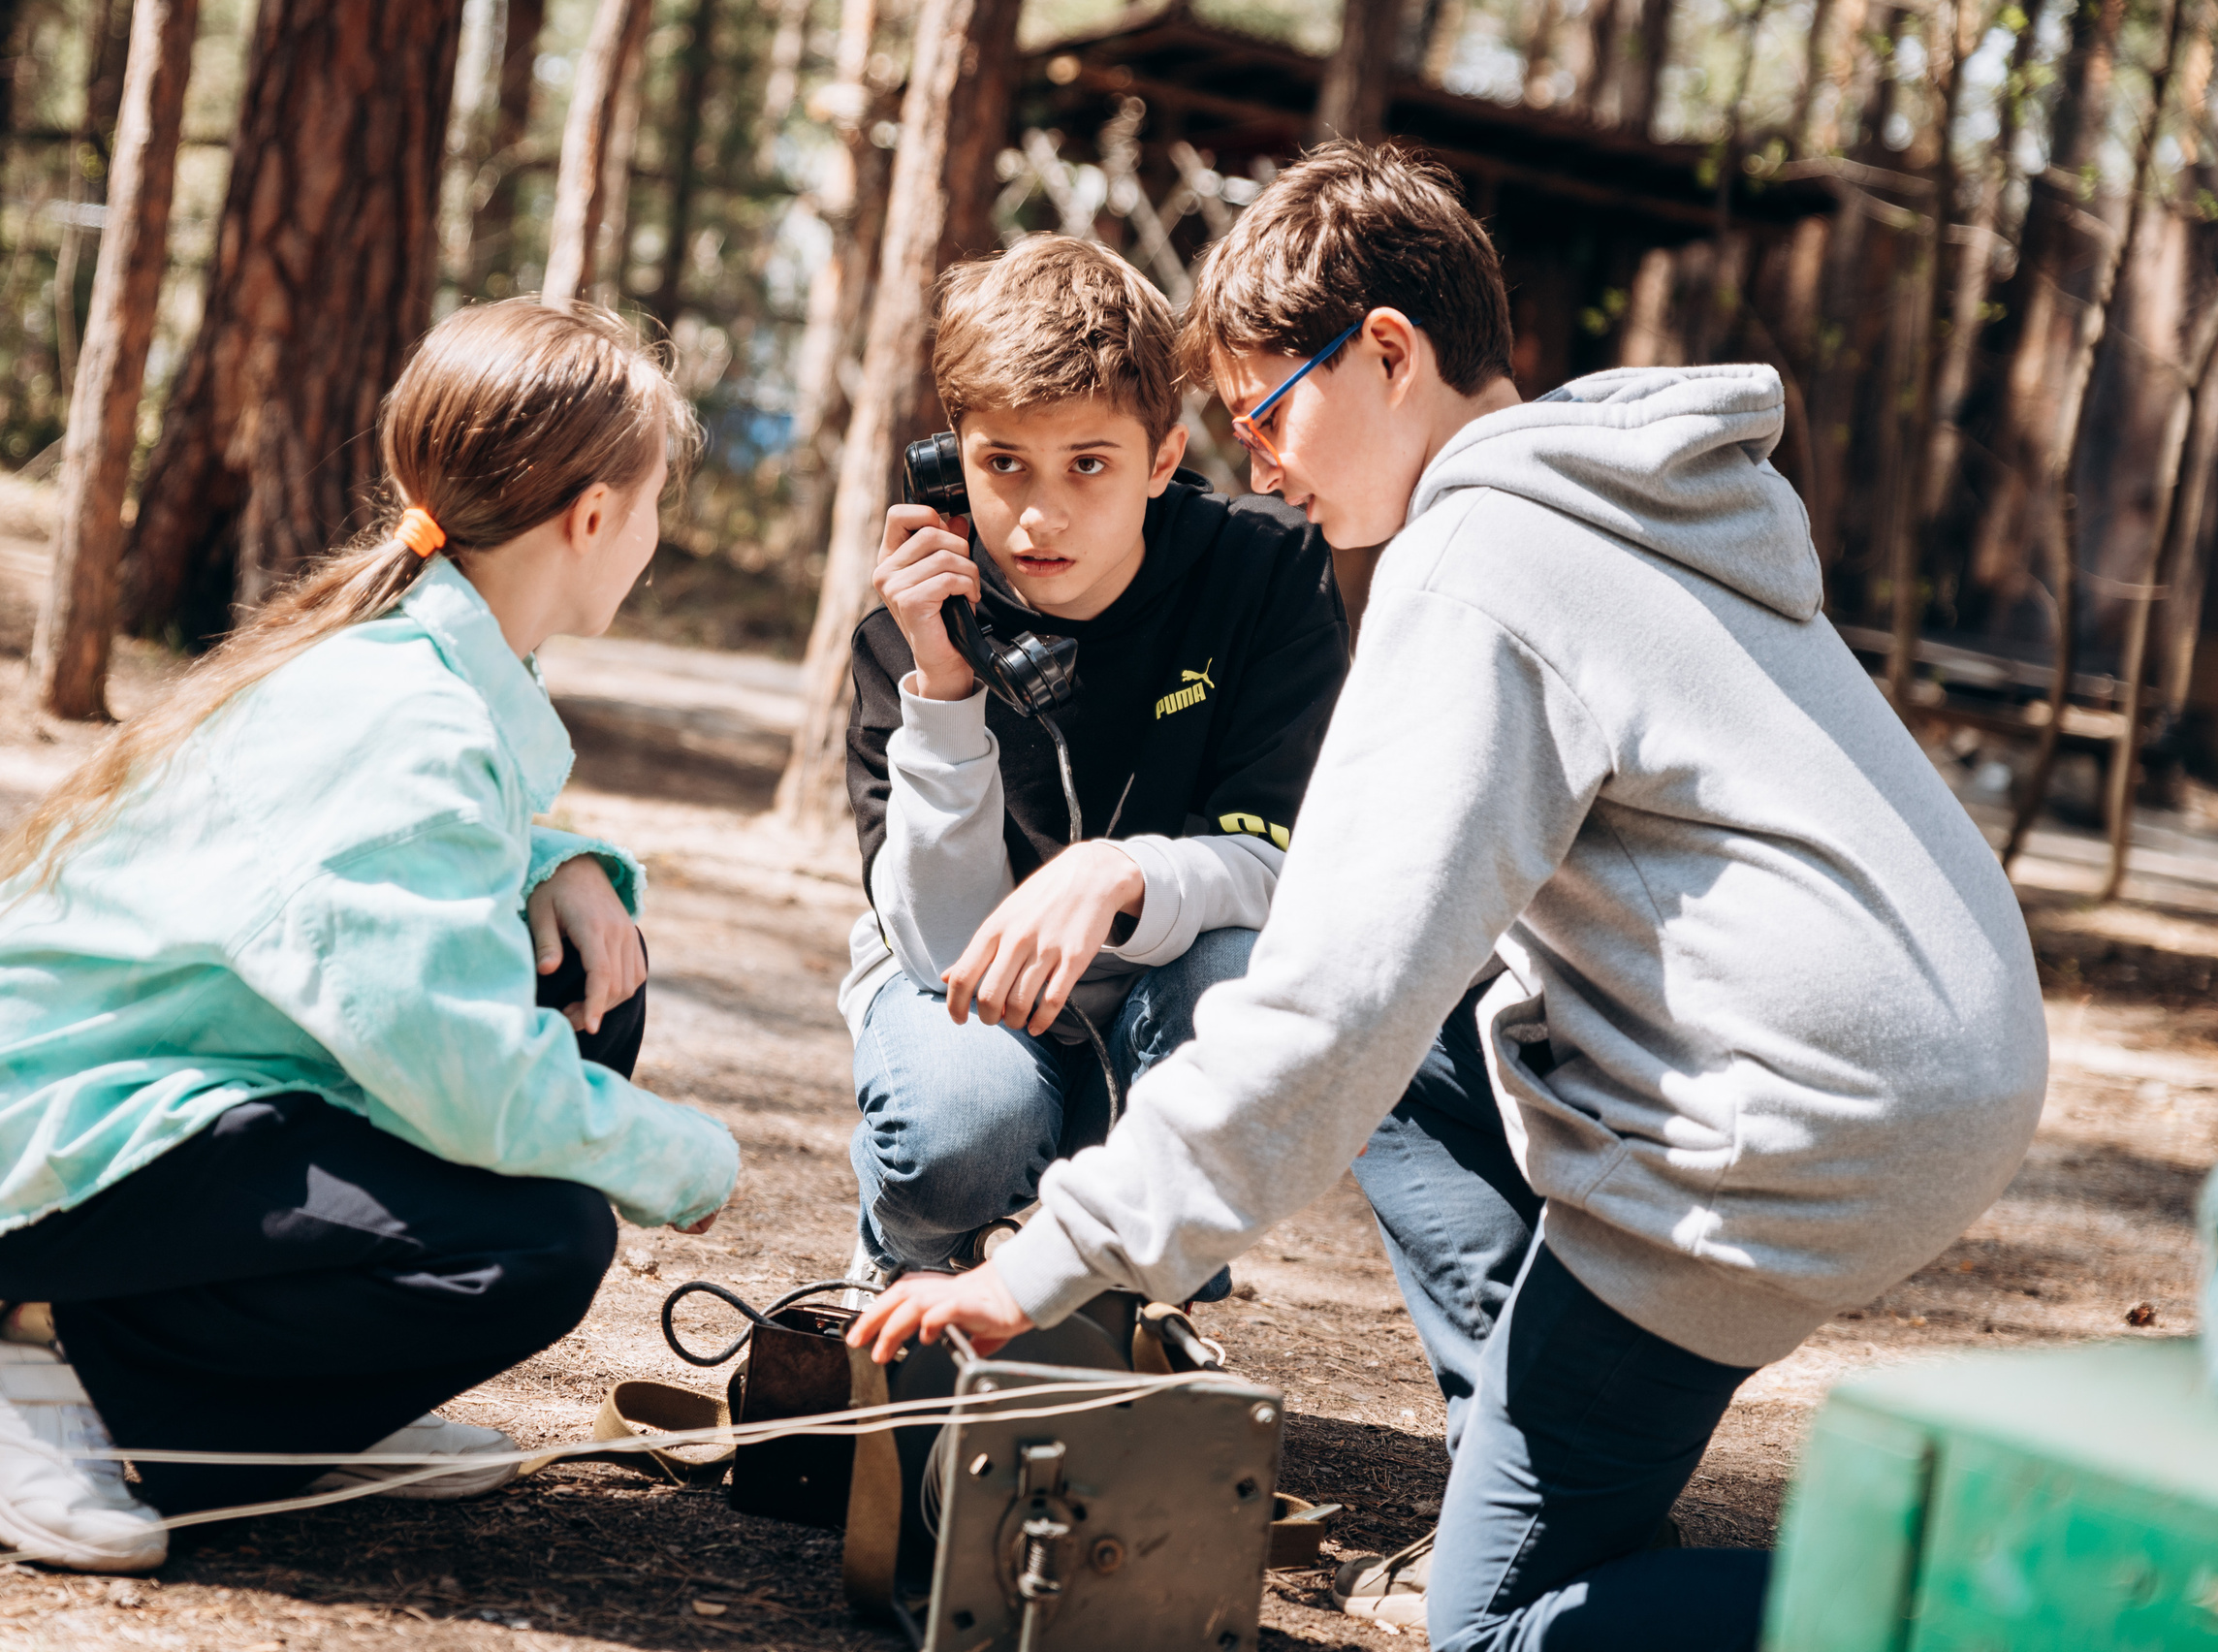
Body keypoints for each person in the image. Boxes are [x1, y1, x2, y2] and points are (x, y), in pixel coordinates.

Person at [850, 143, 2048, 1652]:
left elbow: (1338, 989)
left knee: (1497, 1630)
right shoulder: (1615, 499)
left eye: (1269, 412)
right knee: (1439, 1070)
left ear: (1391, 354)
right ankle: (1547, 1471)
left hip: (1786, 1121)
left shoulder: (1474, 565)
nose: (1265, 466)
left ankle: (2029, 1616)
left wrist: (1044, 1261)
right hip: (1943, 1057)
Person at [0, 300, 741, 1574]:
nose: (655, 540)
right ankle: (44, 1363)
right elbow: (466, 1072)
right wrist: (690, 1158)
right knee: (538, 1245)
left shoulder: (422, 658)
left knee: (589, 989)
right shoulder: (412, 723)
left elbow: (378, 895)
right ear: (595, 518)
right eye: (656, 504)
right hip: (37, 1146)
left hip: (171, 1103)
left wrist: (559, 865)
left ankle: (286, 1425)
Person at [840, 235, 1347, 1299]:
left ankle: (1118, 1300)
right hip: (976, 999)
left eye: (1089, 463)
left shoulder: (1266, 576)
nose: (1038, 515)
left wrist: (1123, 873)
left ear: (1163, 458)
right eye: (1002, 464)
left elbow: (1283, 869)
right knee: (961, 1138)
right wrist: (943, 689)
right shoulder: (908, 623)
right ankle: (910, 1254)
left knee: (1236, 982)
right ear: (950, 460)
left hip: (1173, 981)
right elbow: (937, 957)